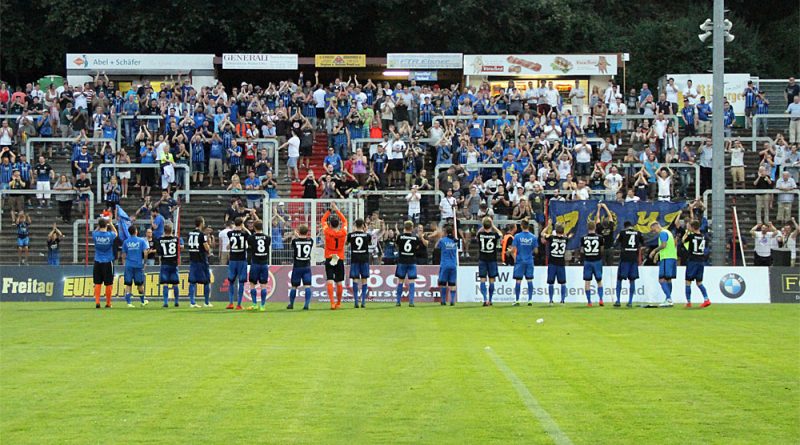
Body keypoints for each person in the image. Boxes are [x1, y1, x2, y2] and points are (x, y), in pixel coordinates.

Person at [321, 203, 348, 310]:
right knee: (339, 281)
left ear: (330, 224)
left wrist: (329, 210)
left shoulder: (327, 231)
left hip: (329, 257)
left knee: (330, 280)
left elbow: (323, 220)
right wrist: (337, 210)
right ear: (338, 224)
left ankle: (332, 303)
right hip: (339, 258)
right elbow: (345, 221)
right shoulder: (343, 232)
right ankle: (339, 303)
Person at [681, 220, 712, 308]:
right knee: (699, 282)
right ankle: (706, 299)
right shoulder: (703, 236)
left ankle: (688, 302)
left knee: (688, 281)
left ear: (692, 227)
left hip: (692, 261)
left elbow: (683, 241)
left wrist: (687, 232)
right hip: (701, 261)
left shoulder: (691, 236)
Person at [648, 221, 678, 307]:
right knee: (668, 279)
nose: (652, 231)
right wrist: (658, 254)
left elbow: (664, 245)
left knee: (661, 279)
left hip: (666, 258)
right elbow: (670, 245)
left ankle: (668, 298)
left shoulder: (662, 233)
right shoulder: (668, 232)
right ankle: (668, 299)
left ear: (656, 226)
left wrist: (654, 251)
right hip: (672, 257)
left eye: (652, 228)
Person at [614, 221, 643, 307]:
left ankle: (618, 300)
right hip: (634, 259)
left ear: (625, 226)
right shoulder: (638, 233)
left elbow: (615, 244)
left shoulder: (622, 232)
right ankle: (630, 301)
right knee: (632, 280)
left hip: (624, 258)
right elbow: (643, 243)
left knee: (619, 279)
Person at [510, 219, 538, 306]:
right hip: (529, 260)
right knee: (529, 280)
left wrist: (512, 254)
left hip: (519, 261)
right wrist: (530, 251)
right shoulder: (533, 237)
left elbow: (513, 250)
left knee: (518, 280)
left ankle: (517, 300)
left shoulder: (517, 236)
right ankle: (530, 300)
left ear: (521, 226)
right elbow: (536, 251)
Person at [476, 217, 503, 306]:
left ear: (483, 226)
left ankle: (485, 299)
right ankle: (490, 300)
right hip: (492, 260)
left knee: (482, 280)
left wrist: (483, 225)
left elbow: (477, 233)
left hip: (482, 259)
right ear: (490, 225)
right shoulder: (494, 235)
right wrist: (493, 226)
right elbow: (500, 234)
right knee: (492, 280)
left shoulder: (480, 235)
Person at [122, 226, 150, 308]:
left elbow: (123, 254)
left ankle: (129, 303)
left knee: (128, 284)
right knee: (140, 284)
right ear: (136, 231)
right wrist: (144, 262)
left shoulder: (126, 242)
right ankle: (142, 301)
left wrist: (124, 263)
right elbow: (145, 253)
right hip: (138, 265)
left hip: (128, 265)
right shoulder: (141, 241)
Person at [92, 218, 118, 308]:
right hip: (108, 261)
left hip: (97, 260)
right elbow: (116, 233)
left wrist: (98, 226)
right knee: (108, 283)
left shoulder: (95, 234)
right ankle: (108, 303)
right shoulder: (110, 235)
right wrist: (110, 223)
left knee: (97, 282)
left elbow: (94, 231)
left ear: (99, 225)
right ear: (106, 225)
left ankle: (97, 302)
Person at [187, 216, 212, 308]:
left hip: (193, 259)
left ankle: (192, 302)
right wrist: (209, 248)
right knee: (206, 281)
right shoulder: (202, 235)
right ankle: (206, 302)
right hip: (201, 260)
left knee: (192, 282)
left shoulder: (190, 234)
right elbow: (206, 247)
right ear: (201, 223)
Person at [395, 221, 421, 307]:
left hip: (402, 261)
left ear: (404, 227)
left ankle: (398, 301)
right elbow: (417, 247)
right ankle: (411, 302)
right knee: (412, 281)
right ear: (412, 227)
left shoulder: (400, 237)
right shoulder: (415, 237)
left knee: (400, 281)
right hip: (412, 261)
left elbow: (397, 245)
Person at [288, 224, 314, 310]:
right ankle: (306, 304)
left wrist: (296, 235)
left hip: (297, 266)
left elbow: (292, 244)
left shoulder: (295, 241)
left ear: (299, 231)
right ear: (307, 232)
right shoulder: (311, 241)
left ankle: (291, 304)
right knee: (307, 286)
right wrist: (299, 235)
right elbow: (304, 240)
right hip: (306, 266)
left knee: (294, 286)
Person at [543, 221, 570, 304]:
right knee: (563, 282)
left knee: (551, 282)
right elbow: (567, 236)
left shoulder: (551, 238)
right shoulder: (565, 239)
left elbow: (542, 233)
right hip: (561, 263)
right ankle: (562, 300)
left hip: (552, 263)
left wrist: (548, 225)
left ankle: (551, 300)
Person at [247, 221, 271, 312]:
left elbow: (250, 246)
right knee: (263, 285)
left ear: (254, 227)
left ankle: (254, 304)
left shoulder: (251, 238)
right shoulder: (268, 238)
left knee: (252, 284)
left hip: (255, 263)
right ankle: (263, 305)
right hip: (264, 263)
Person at [347, 218, 372, 308]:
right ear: (363, 225)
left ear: (355, 225)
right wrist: (365, 231)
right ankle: (363, 301)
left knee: (355, 279)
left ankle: (356, 301)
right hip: (364, 259)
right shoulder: (367, 235)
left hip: (355, 259)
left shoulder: (351, 235)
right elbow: (369, 243)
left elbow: (346, 244)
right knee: (364, 279)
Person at [226, 217, 249, 310]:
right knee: (241, 282)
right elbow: (249, 235)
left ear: (234, 224)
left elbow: (230, 241)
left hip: (232, 260)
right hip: (242, 260)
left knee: (231, 281)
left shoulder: (230, 233)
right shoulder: (245, 234)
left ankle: (231, 303)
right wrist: (244, 228)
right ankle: (239, 304)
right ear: (242, 224)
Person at [157, 223, 181, 308]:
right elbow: (179, 249)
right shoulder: (176, 239)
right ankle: (176, 301)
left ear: (164, 230)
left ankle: (165, 302)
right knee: (175, 283)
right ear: (171, 230)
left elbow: (159, 254)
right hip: (174, 263)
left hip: (165, 263)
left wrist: (160, 263)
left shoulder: (160, 239)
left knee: (165, 283)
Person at [581, 221, 604, 307]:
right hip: (597, 261)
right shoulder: (600, 238)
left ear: (588, 228)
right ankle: (601, 299)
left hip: (587, 261)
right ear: (595, 227)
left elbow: (582, 250)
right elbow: (601, 249)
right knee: (599, 280)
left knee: (587, 282)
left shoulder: (583, 238)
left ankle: (589, 302)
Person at [437, 225, 459, 306]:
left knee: (443, 283)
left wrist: (440, 237)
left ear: (445, 232)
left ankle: (443, 300)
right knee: (452, 283)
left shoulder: (442, 241)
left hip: (445, 264)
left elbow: (436, 247)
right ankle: (452, 300)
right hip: (453, 264)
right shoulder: (455, 241)